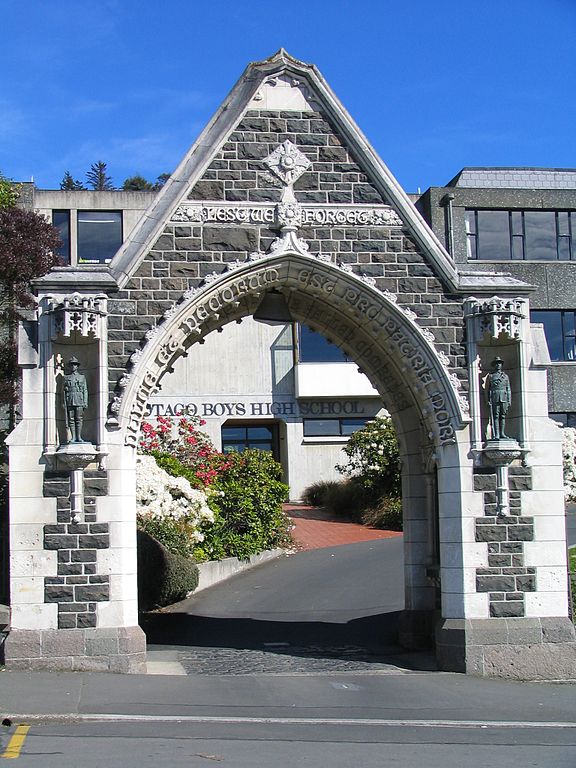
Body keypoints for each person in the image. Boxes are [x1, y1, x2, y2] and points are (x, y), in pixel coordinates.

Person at [63, 356, 88, 443]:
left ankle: (79, 437)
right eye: (71, 365)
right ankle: (73, 437)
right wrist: (63, 402)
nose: (73, 366)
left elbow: (85, 390)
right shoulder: (66, 377)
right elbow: (63, 391)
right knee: (71, 419)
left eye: (75, 365)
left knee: (79, 418)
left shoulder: (82, 377)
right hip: (70, 399)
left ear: (77, 366)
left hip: (79, 399)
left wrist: (85, 402)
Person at [486, 356, 511, 440]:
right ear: (494, 365)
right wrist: (487, 400)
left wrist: (509, 400)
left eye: (499, 363)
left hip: (503, 397)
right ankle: (496, 434)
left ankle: (502, 433)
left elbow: (508, 389)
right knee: (496, 416)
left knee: (503, 416)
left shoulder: (505, 376)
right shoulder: (490, 376)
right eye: (497, 363)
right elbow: (487, 390)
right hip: (495, 397)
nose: (498, 365)